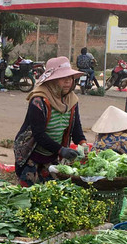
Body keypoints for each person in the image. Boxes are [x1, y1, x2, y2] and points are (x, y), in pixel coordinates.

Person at [13, 56, 86, 186]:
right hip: (32, 155)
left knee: (51, 195)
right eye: (63, 78)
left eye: (69, 78)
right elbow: (38, 134)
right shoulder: (38, 101)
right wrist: (60, 150)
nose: (68, 81)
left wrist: (83, 143)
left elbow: (76, 127)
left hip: (52, 156)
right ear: (51, 81)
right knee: (28, 195)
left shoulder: (72, 101)